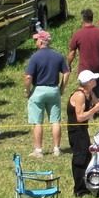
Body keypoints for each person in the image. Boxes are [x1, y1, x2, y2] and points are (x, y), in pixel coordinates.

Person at [24, 30, 70, 158]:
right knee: (55, 121)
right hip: (54, 90)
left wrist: (27, 91)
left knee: (37, 122)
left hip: (38, 90)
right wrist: (62, 87)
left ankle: (38, 150)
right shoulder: (58, 56)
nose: (35, 42)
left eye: (36, 40)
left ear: (41, 41)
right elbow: (66, 73)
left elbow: (28, 77)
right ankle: (57, 149)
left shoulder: (35, 57)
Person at [67, 8, 99, 100]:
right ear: (92, 18)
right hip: (97, 67)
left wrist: (68, 64)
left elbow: (72, 53)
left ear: (83, 19)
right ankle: (97, 107)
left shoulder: (78, 34)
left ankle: (85, 106)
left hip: (84, 68)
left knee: (84, 90)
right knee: (97, 88)